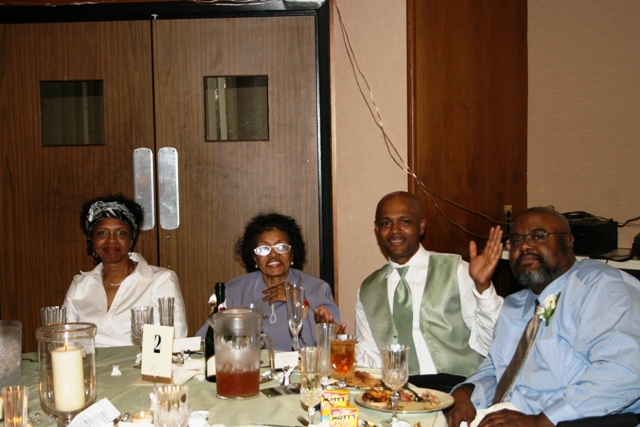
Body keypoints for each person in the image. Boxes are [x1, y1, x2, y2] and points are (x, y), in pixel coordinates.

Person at [446, 207, 640, 427]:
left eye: (539, 236)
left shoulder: (602, 288)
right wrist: (464, 392)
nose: (525, 246)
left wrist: (541, 421)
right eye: (516, 240)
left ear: (568, 241)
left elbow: (624, 371)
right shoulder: (515, 305)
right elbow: (496, 368)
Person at [355, 191, 504, 377]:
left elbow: (492, 342)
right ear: (377, 230)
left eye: (404, 221)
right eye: (386, 223)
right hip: (399, 389)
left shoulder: (457, 271)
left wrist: (483, 287)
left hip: (458, 386)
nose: (394, 230)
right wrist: (334, 345)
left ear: (421, 226)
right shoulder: (368, 290)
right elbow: (372, 356)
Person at [197, 212, 344, 351]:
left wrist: (298, 302)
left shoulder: (318, 289)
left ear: (292, 254)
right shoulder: (233, 291)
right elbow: (203, 342)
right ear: (255, 259)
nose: (273, 255)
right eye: (263, 249)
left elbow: (331, 346)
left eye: (281, 247)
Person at [63, 194, 188, 347]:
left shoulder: (161, 280)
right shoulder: (80, 285)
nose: (111, 240)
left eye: (120, 233)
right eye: (102, 233)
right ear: (92, 241)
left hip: (143, 362)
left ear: (131, 240)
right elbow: (64, 341)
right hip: (87, 362)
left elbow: (175, 339)